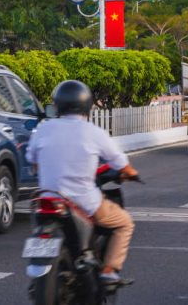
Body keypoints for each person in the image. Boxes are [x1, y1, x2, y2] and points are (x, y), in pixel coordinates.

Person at [26, 80, 138, 284]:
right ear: (87, 105)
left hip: (47, 198)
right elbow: (120, 161)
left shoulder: (43, 128)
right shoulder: (93, 132)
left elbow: (32, 159)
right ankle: (109, 271)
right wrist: (130, 172)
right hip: (83, 201)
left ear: (58, 105)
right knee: (125, 223)